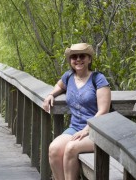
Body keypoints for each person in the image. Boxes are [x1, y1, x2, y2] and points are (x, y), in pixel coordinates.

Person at [42, 43, 111, 180]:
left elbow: (103, 111)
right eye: (74, 57)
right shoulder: (68, 77)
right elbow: (59, 85)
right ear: (70, 61)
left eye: (82, 56)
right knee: (54, 148)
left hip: (96, 131)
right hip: (75, 128)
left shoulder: (98, 79)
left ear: (89, 59)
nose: (78, 59)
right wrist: (51, 95)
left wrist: (86, 130)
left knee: (71, 148)